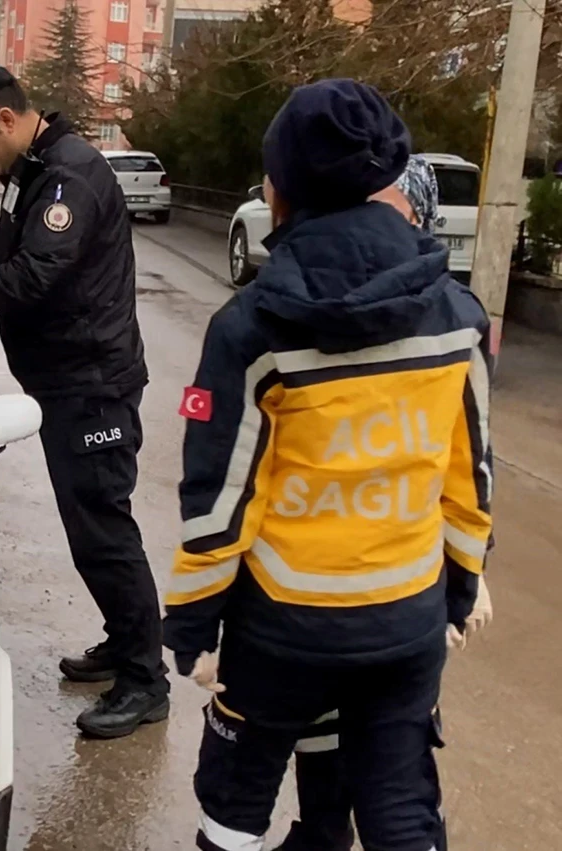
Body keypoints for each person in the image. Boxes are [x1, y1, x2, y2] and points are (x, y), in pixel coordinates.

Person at [164, 79, 492, 851]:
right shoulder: (457, 316)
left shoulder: (251, 328)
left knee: (236, 798)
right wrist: (460, 588)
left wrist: (191, 622)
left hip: (284, 628)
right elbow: (469, 477)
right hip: (406, 617)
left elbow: (221, 502)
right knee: (400, 802)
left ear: (283, 188)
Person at [0, 64, 169, 738]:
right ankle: (123, 641)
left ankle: (145, 680)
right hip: (65, 381)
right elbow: (6, 245)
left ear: (7, 122)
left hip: (94, 385)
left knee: (104, 533)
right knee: (90, 532)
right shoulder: (34, 170)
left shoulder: (67, 179)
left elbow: (30, 278)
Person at [275, 154, 496, 851]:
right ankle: (318, 831)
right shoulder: (311, 300)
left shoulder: (450, 316)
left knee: (393, 764)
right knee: (319, 726)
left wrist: (472, 568)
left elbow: (469, 459)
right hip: (319, 577)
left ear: (418, 219)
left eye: (389, 208)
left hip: (405, 579)